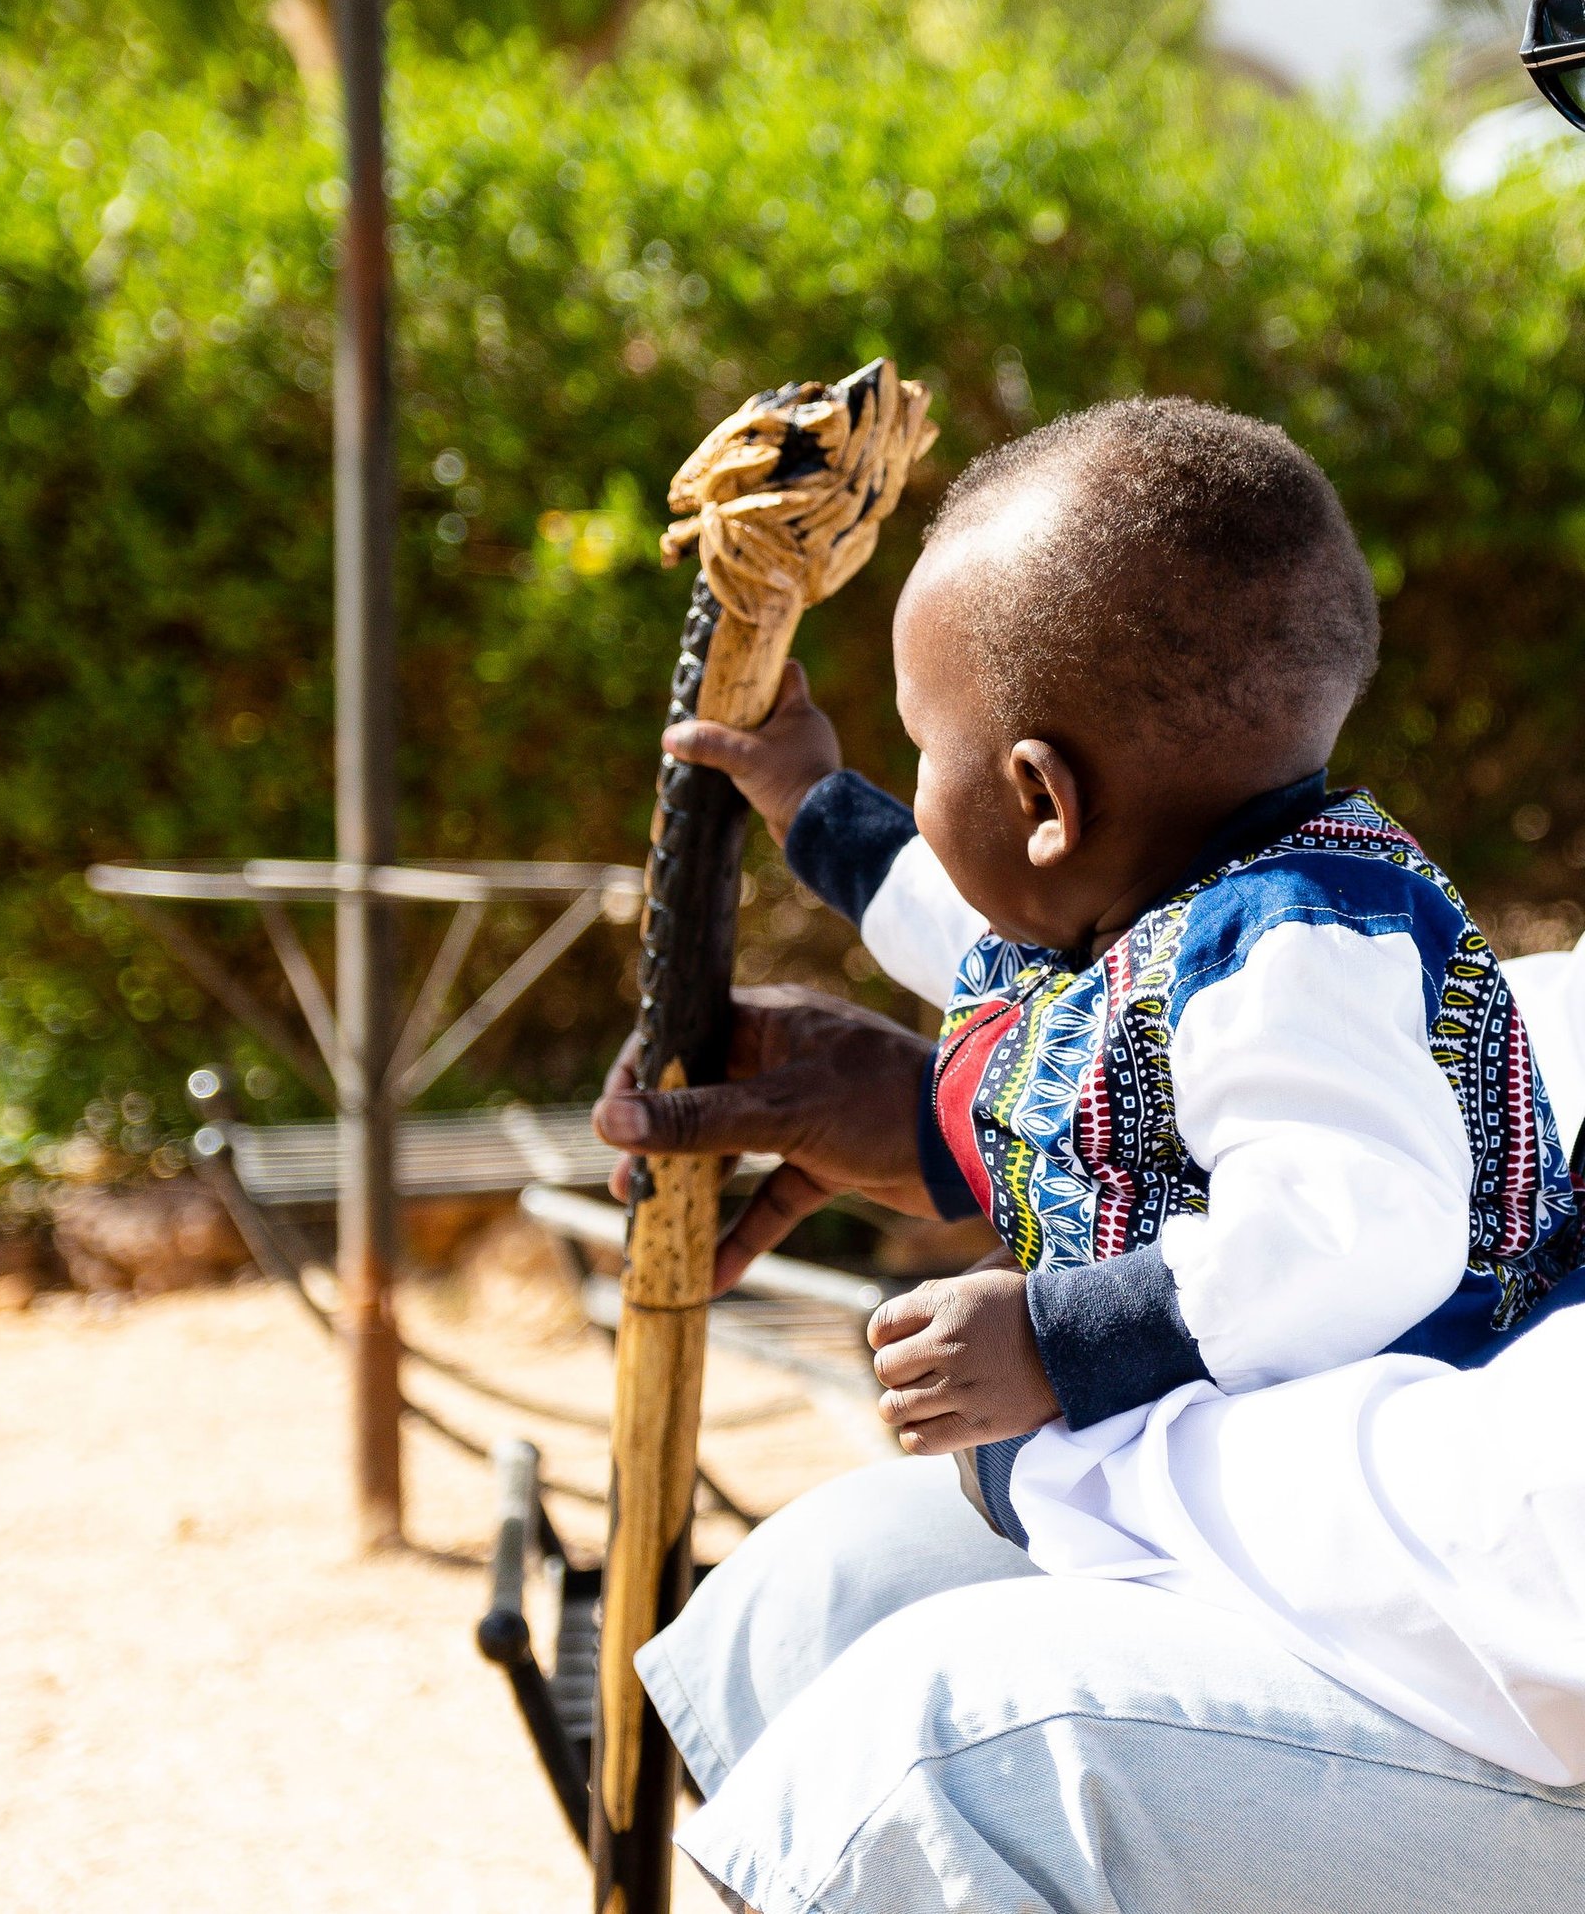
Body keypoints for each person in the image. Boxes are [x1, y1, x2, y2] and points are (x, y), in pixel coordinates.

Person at [607, 396, 1581, 1551]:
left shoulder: (1288, 945)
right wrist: (808, 799)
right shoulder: (1133, 900)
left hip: (1367, 1504)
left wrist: (1056, 1336)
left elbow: (1354, 1226)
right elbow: (943, 910)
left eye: (923, 747)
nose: (915, 777)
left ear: (1040, 800)